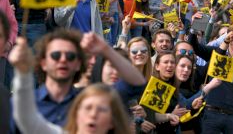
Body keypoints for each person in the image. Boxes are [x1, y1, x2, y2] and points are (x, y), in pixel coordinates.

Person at [9, 28, 145, 131]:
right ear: (43, 62)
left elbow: (136, 84)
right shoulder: (24, 103)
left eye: (70, 56)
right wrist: (23, 72)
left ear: (79, 63)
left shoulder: (90, 100)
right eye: (56, 55)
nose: (63, 60)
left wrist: (105, 49)